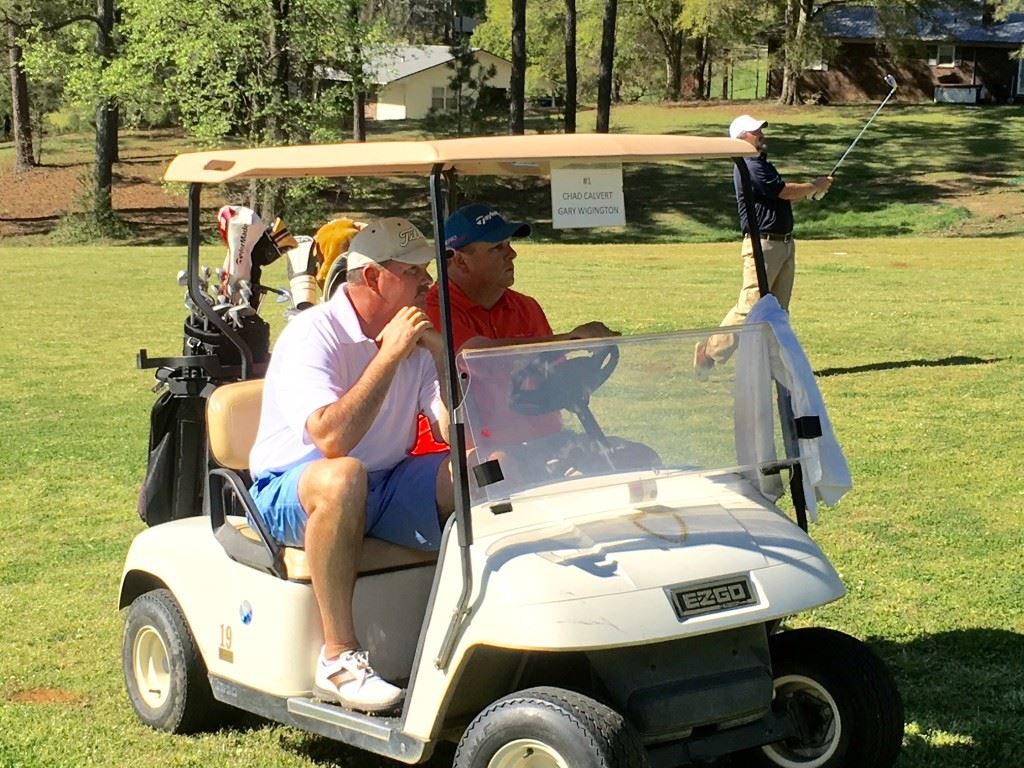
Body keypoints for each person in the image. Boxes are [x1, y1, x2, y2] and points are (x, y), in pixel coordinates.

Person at [248, 217, 454, 712]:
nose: (428, 282)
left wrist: (444, 360)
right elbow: (331, 438)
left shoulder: (414, 336)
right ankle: (338, 659)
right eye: (414, 272)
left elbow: (454, 431)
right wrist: (386, 359)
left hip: (384, 483)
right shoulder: (312, 334)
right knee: (344, 476)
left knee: (482, 470)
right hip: (292, 488)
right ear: (372, 278)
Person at [694, 115, 832, 378]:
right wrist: (813, 186)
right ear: (741, 137)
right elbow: (782, 192)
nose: (761, 135)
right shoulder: (748, 164)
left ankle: (775, 367)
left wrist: (811, 192)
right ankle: (709, 352)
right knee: (751, 306)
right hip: (763, 245)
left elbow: (779, 199)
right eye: (755, 131)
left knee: (777, 312)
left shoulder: (762, 165)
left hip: (783, 244)